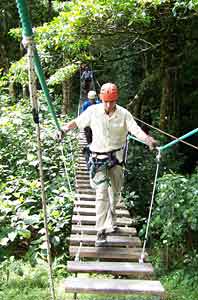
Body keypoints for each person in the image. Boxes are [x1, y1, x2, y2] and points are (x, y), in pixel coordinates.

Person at [60, 83, 157, 247]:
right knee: (101, 193)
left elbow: (135, 130)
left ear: (116, 100)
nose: (108, 105)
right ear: (100, 98)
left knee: (116, 193)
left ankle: (112, 217)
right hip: (98, 158)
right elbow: (76, 122)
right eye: (105, 101)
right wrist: (63, 130)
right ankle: (101, 231)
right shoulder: (93, 111)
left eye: (111, 102)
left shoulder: (124, 114)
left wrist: (148, 140)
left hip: (117, 158)